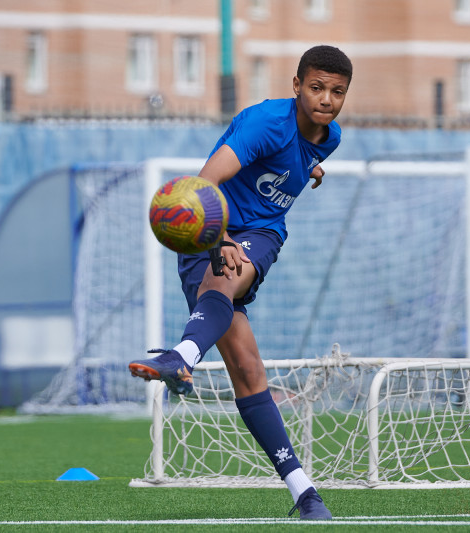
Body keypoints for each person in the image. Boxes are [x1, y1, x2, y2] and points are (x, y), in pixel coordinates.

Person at [129, 45, 352, 521]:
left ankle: (181, 357)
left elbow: (300, 154)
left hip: (262, 235)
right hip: (211, 228)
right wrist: (219, 237)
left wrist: (306, 166)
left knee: (228, 283)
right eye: (316, 88)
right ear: (296, 86)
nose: (326, 99)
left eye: (337, 91)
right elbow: (205, 181)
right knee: (249, 369)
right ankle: (304, 493)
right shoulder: (265, 123)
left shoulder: (329, 137)